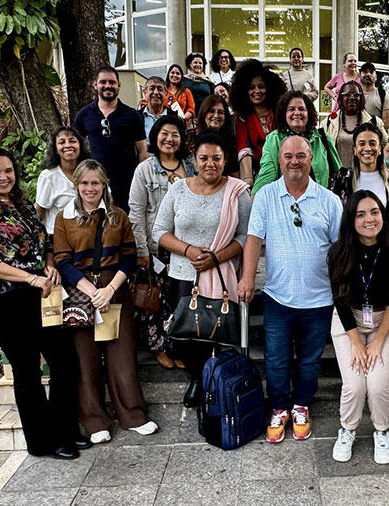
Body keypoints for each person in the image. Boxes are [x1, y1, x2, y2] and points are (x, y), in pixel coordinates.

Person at [0, 147, 84, 460]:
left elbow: (43, 240)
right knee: (27, 368)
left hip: (37, 290)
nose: (3, 177)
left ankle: (65, 431)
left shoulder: (21, 201)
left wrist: (49, 264)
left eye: (8, 171)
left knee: (65, 361)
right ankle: (43, 443)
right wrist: (30, 278)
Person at [238, 136, 343, 444]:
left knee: (310, 360)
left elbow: (339, 249)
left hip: (319, 299)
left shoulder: (329, 200)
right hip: (278, 297)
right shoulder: (266, 197)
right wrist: (246, 279)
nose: (294, 161)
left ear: (311, 159)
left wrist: (341, 289)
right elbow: (254, 240)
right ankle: (280, 407)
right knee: (277, 359)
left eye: (301, 155)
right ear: (279, 160)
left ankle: (301, 406)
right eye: (288, 156)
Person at [54, 160, 159, 444]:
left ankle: (133, 414)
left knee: (121, 355)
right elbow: (62, 259)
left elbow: (128, 255)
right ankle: (94, 420)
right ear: (76, 185)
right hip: (80, 291)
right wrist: (90, 290)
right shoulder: (64, 217)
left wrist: (110, 289)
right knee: (85, 359)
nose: (90, 188)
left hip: (114, 290)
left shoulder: (118, 216)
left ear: (104, 185)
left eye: (96, 183)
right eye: (85, 183)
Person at [151, 133, 252, 407]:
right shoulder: (178, 189)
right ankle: (197, 378)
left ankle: (217, 382)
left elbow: (245, 237)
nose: (210, 164)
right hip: (184, 276)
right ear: (194, 160)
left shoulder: (237, 192)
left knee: (216, 332)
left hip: (221, 276)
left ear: (225, 160)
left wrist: (216, 257)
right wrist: (189, 250)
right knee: (186, 335)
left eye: (216, 158)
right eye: (204, 158)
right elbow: (159, 231)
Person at [327, 190, 389, 465]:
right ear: (351, 220)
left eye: (374, 212)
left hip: (387, 321)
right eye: (360, 214)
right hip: (349, 322)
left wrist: (377, 341)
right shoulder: (338, 252)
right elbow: (339, 300)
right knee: (355, 384)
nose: (369, 219)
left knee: (379, 384)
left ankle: (381, 431)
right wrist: (357, 343)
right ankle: (347, 429)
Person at [128, 115, 197, 367]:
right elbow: (136, 211)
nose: (170, 139)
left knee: (180, 299)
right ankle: (160, 348)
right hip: (156, 247)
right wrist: (141, 249)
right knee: (157, 300)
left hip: (185, 246)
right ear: (155, 136)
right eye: (164, 133)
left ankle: (178, 346)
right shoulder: (144, 169)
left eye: (175, 134)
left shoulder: (191, 166)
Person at [74, 65, 149, 211]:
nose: (108, 86)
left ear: (119, 85)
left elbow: (142, 151)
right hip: (95, 185)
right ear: (95, 85)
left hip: (128, 185)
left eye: (112, 82)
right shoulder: (84, 115)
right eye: (103, 82)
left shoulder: (132, 115)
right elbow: (75, 147)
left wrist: (143, 181)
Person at [250, 91, 341, 195]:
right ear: (284, 114)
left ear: (309, 113)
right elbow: (267, 174)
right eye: (291, 109)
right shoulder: (274, 139)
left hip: (321, 202)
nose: (297, 113)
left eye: (301, 109)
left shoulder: (322, 138)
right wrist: (256, 197)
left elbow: (339, 173)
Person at [328, 122, 389, 214]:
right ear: (354, 149)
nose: (367, 148)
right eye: (362, 144)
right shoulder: (342, 179)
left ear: (379, 149)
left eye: (372, 143)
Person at [231, 59, 287, 186]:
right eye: (251, 88)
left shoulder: (280, 113)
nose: (257, 91)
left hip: (284, 171)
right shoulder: (242, 117)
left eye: (261, 86)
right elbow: (244, 147)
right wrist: (249, 179)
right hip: (256, 173)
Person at [36, 126, 91, 236]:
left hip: (88, 238)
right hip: (58, 239)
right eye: (61, 142)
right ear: (56, 149)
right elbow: (39, 212)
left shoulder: (90, 173)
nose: (67, 145)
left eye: (72, 141)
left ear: (80, 145)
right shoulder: (48, 177)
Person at [320, 80, 388, 169]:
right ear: (341, 98)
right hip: (338, 178)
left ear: (361, 98)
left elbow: (385, 144)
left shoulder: (374, 122)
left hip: (365, 176)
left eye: (356, 95)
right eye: (347, 94)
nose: (352, 97)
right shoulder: (328, 123)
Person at [196, 95, 239, 177]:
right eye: (211, 111)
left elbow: (235, 175)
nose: (216, 115)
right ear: (204, 113)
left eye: (220, 112)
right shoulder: (193, 139)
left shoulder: (231, 141)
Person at [140, 76, 176, 144]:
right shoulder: (137, 118)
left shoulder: (174, 118)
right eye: (152, 88)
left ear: (166, 94)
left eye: (160, 89)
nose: (156, 92)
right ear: (145, 92)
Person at [360, 62, 389, 127]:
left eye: (371, 72)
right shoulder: (354, 94)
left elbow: (387, 123)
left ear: (376, 77)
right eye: (365, 72)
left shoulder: (382, 94)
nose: (368, 74)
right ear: (359, 76)